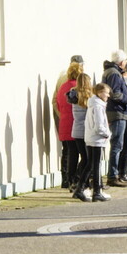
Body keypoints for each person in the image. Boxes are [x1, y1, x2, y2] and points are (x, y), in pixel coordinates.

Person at [102, 50, 127, 187]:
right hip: (118, 112)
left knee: (120, 144)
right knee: (117, 145)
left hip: (120, 112)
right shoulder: (114, 73)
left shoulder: (112, 72)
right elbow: (115, 94)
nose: (126, 63)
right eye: (125, 60)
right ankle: (113, 175)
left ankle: (118, 174)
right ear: (121, 62)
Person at [53, 54, 84, 187]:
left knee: (68, 152)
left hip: (64, 122)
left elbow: (56, 101)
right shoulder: (78, 87)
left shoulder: (62, 86)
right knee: (83, 154)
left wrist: (61, 115)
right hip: (76, 123)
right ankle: (77, 178)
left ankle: (67, 179)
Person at [84, 82, 112, 202]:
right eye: (106, 93)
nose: (108, 96)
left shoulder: (93, 104)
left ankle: (82, 188)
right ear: (100, 93)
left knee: (92, 164)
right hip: (97, 139)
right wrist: (107, 134)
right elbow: (99, 126)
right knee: (96, 165)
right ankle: (97, 191)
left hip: (91, 138)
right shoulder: (98, 106)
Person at [69, 73, 93, 202]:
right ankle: (82, 182)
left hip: (76, 130)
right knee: (88, 159)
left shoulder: (73, 95)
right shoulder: (89, 97)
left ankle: (79, 181)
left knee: (84, 157)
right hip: (86, 131)